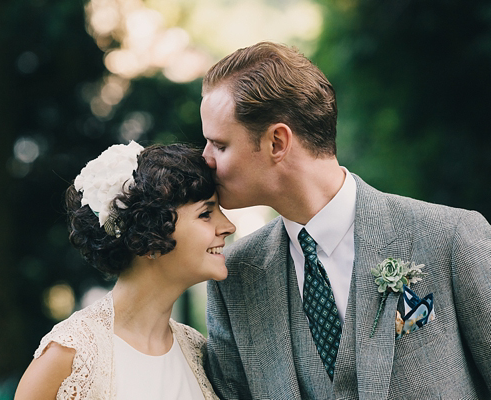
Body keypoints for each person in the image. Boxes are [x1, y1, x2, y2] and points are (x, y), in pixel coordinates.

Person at [200, 41, 491, 399]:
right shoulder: (234, 279)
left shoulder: (451, 238)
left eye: (220, 145)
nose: (205, 159)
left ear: (277, 142)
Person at [15, 142, 235, 400]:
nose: (228, 226)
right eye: (206, 214)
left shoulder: (197, 351)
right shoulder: (70, 355)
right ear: (150, 236)